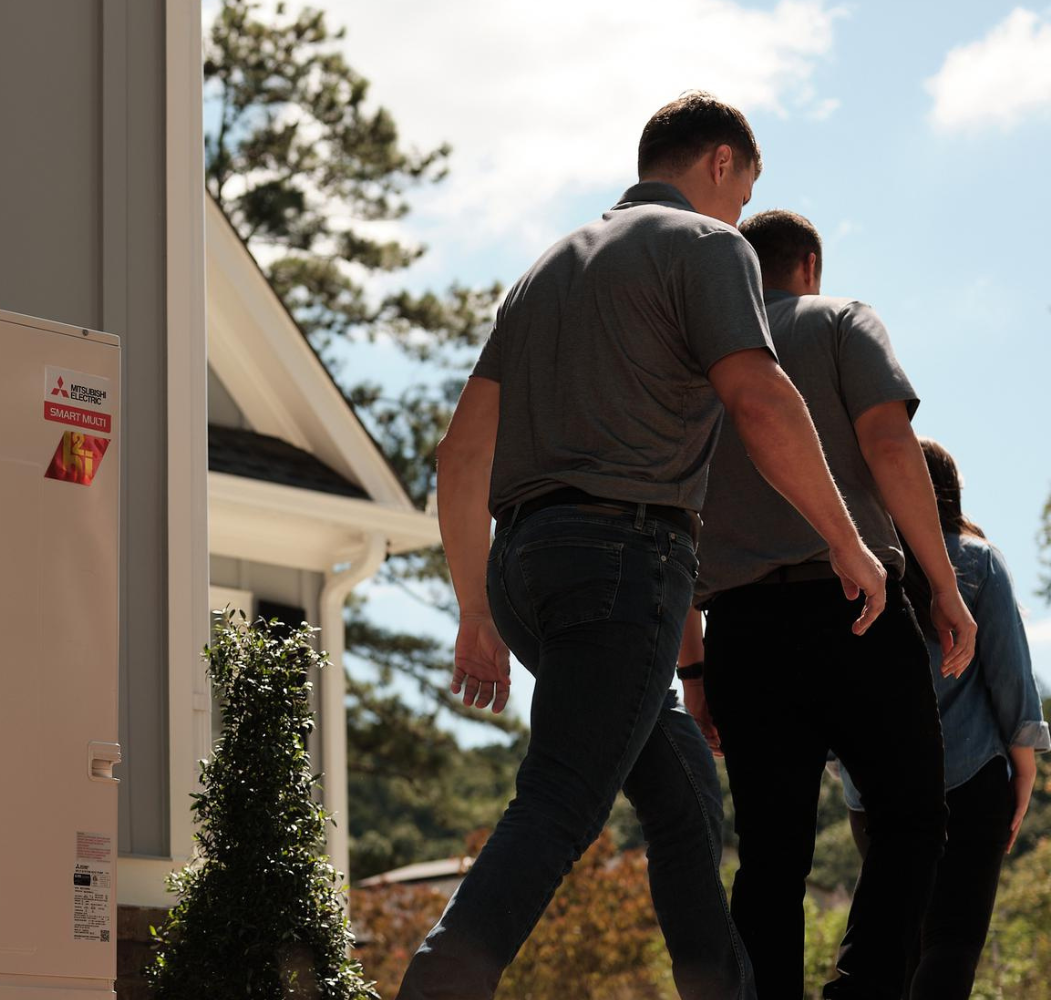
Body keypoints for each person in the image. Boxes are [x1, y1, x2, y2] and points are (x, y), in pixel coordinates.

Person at [399, 92, 891, 1000]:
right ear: (719, 163)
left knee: (681, 794)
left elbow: (461, 450)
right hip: (622, 561)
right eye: (746, 188)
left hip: (528, 567)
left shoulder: (548, 266)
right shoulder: (707, 246)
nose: (743, 209)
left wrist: (477, 608)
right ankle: (437, 983)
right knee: (561, 799)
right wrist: (847, 541)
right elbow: (758, 397)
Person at [680, 209, 977, 1000]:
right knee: (911, 817)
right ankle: (863, 989)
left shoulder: (701, 365)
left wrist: (695, 672)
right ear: (809, 265)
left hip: (740, 630)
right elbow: (889, 445)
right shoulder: (843, 320)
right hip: (858, 610)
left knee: (772, 853)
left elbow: (669, 525)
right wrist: (942, 584)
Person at [836, 438, 1049, 998]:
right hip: (972, 780)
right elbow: (1009, 675)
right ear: (950, 491)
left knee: (898, 942)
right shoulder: (976, 560)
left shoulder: (852, 567)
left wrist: (845, 770)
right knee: (952, 943)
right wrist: (1024, 768)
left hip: (875, 792)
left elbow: (835, 684)